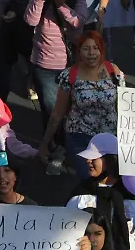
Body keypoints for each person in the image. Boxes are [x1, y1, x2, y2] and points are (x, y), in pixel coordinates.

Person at [39, 31, 123, 177]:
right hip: (80, 138)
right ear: (79, 51)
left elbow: (125, 106)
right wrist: (45, 143)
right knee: (88, 178)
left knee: (110, 180)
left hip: (109, 138)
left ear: (101, 50)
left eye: (95, 48)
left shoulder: (113, 71)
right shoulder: (69, 75)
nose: (91, 53)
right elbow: (57, 113)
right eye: (86, 48)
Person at [24, 0, 82, 129]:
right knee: (51, 112)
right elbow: (30, 20)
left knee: (72, 111)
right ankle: (54, 149)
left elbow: (78, 22)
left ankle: (65, 147)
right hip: (44, 65)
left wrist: (61, 5)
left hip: (70, 64)